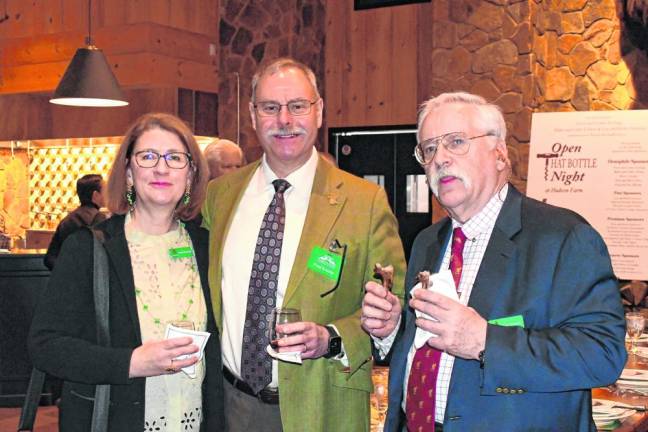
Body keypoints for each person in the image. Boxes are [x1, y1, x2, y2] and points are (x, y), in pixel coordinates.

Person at [361, 92, 627, 431]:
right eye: (429, 149)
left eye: (456, 142)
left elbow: (602, 355)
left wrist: (485, 341)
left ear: (499, 154)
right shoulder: (428, 242)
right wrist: (392, 330)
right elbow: (427, 350)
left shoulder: (563, 237)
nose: (440, 158)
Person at [201, 57, 406, 432]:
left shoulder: (365, 201)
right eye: (270, 107)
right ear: (252, 114)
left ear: (319, 111)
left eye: (297, 106)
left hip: (322, 407)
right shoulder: (221, 196)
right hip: (229, 405)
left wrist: (331, 337)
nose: (284, 120)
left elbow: (394, 308)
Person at [29, 113, 224, 431]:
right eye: (147, 157)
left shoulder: (208, 246)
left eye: (175, 158)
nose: (161, 168)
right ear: (129, 172)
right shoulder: (88, 248)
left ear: (190, 174)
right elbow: (45, 346)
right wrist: (132, 363)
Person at [43, 174, 106, 270]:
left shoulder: (66, 220)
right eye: (105, 191)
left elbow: (49, 258)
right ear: (95, 195)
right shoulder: (100, 218)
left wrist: (67, 272)